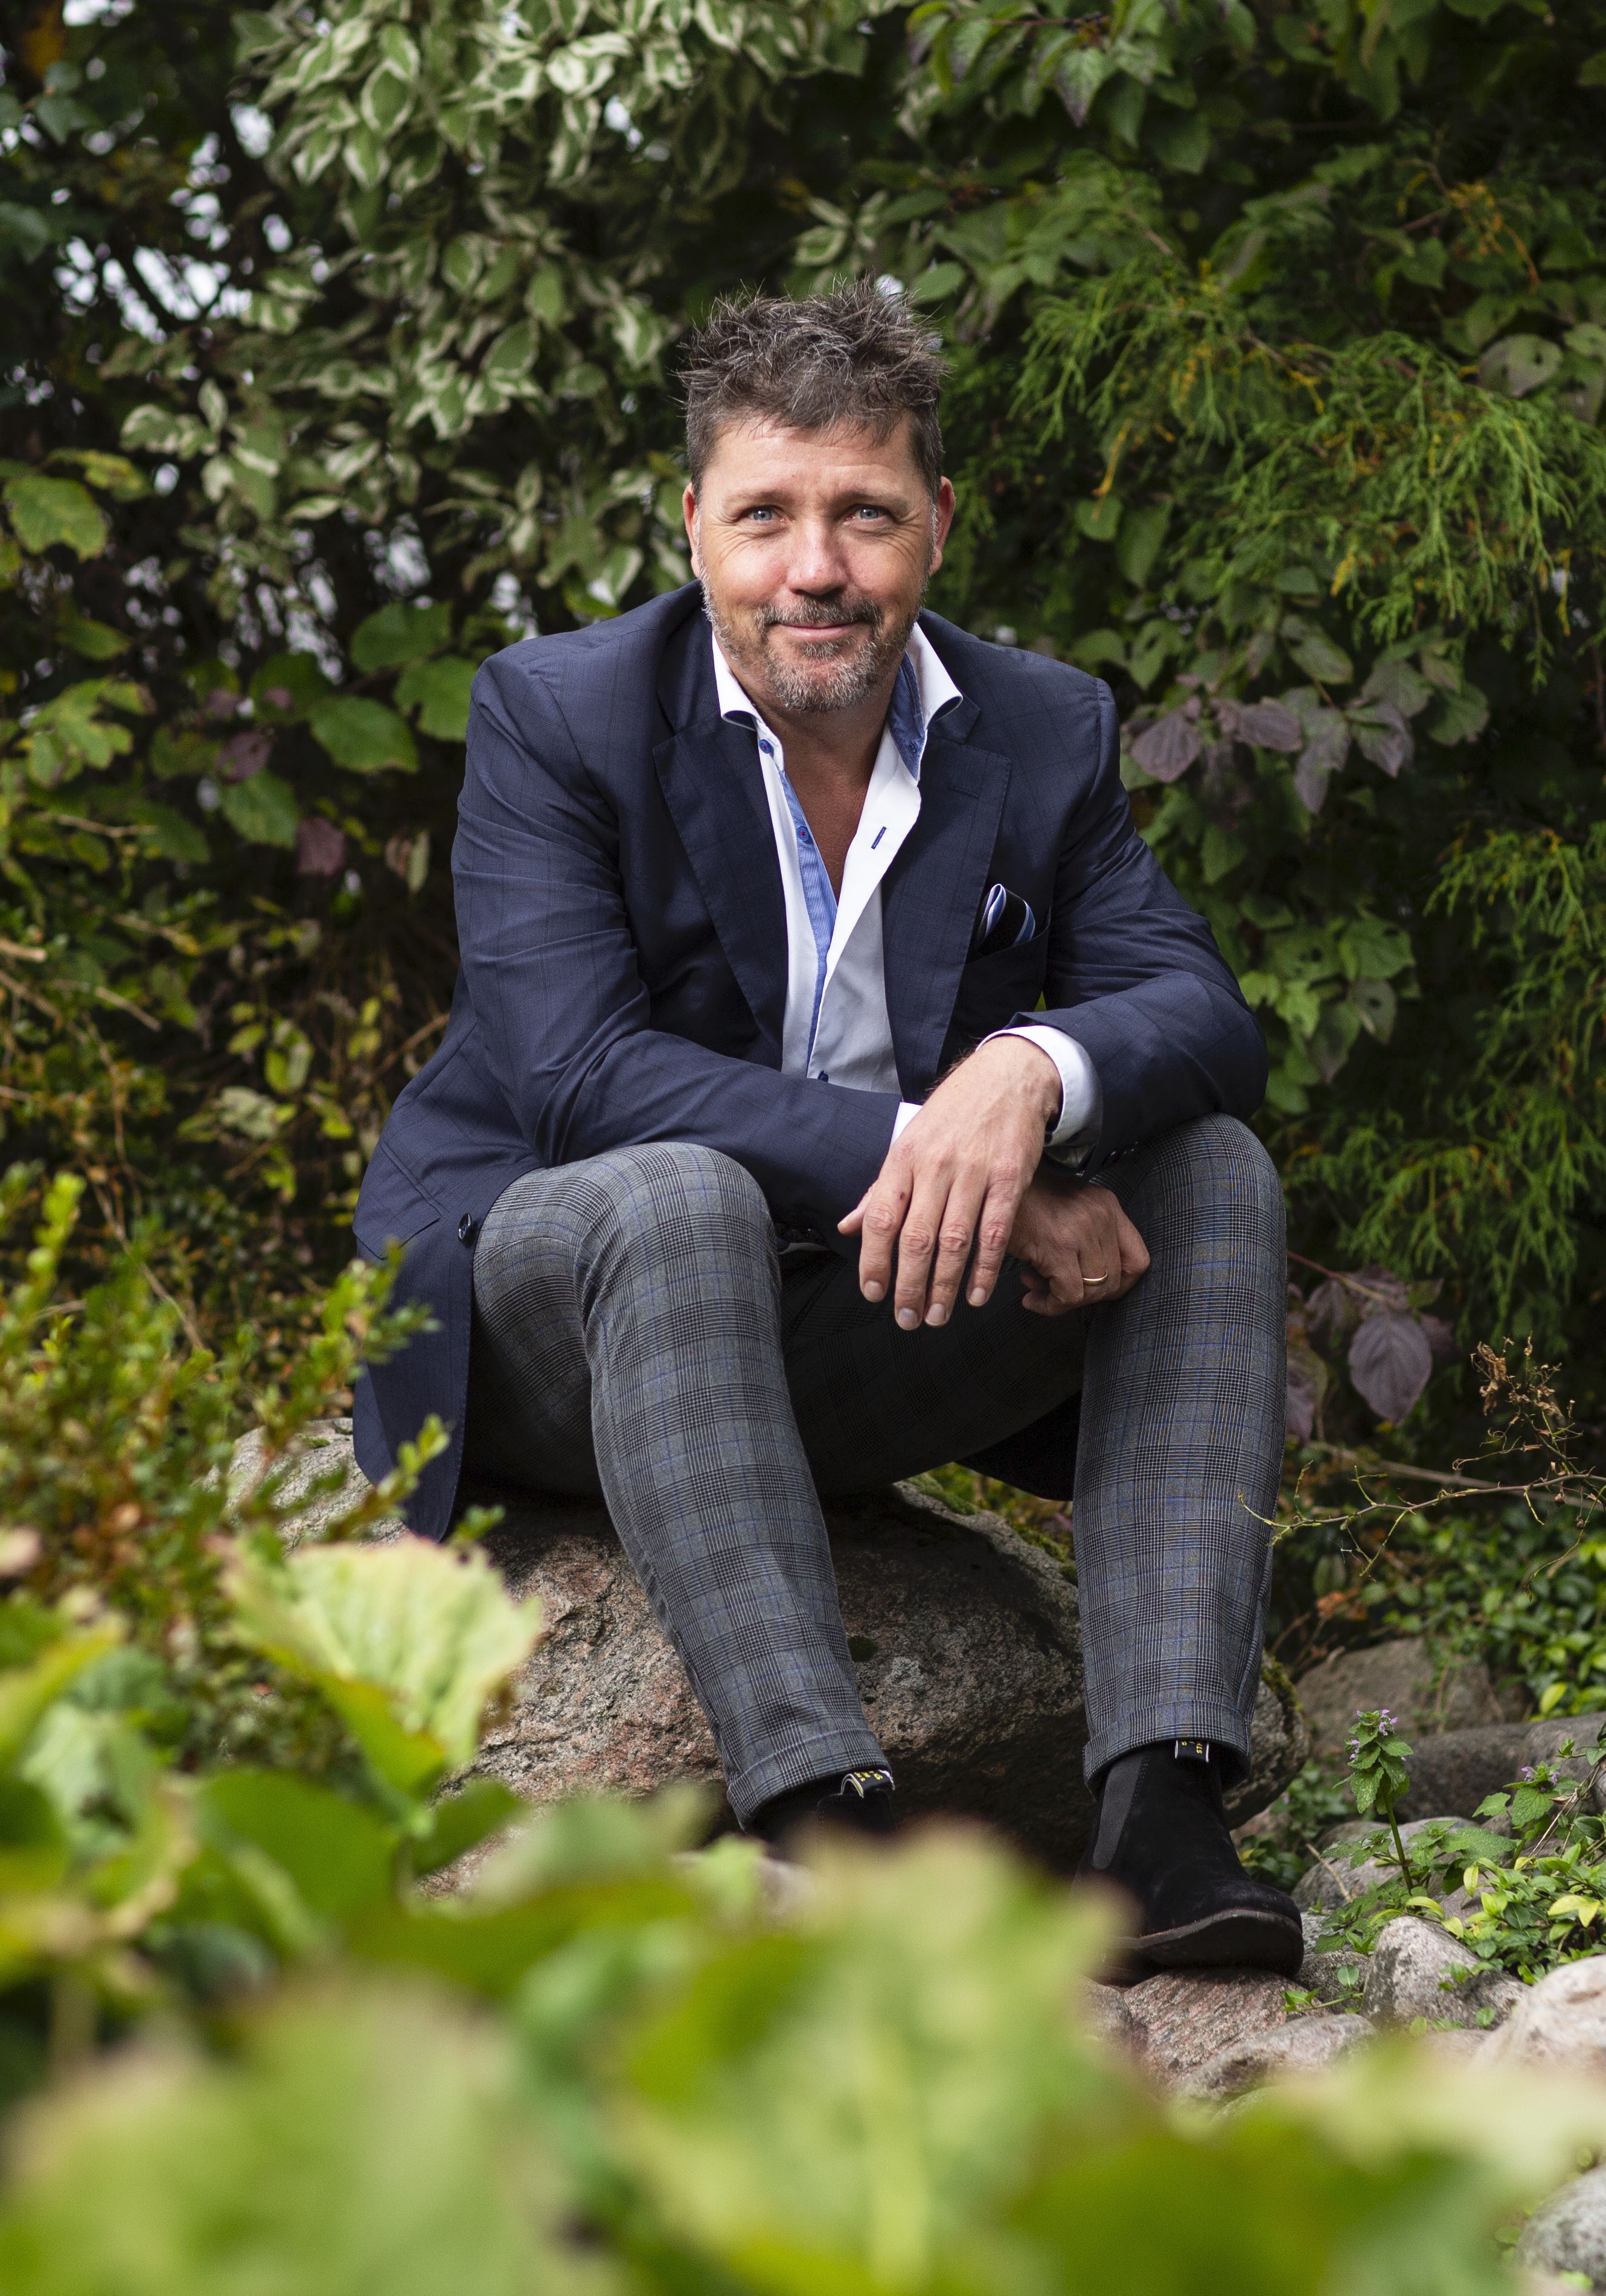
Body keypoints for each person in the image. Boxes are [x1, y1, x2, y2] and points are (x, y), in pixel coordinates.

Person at [349, 281, 1299, 1977]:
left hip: (836, 1322)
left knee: (1209, 1170)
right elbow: (579, 1075)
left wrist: (1027, 1075)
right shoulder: (559, 714)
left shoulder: (1043, 727)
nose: (817, 568)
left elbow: (1199, 1010)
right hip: (556, 1312)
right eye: (766, 516)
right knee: (679, 1195)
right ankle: (821, 1814)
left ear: (938, 523)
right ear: (692, 525)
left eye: (864, 513)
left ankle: (1162, 1818)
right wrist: (936, 1153)